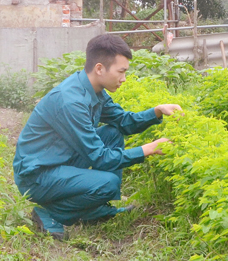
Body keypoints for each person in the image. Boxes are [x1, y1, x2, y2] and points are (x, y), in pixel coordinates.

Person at [13, 34, 182, 240]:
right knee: (108, 182)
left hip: (59, 159)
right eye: (121, 71)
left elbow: (122, 122)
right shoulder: (71, 101)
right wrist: (147, 149)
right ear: (100, 68)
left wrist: (157, 111)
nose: (123, 78)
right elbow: (99, 157)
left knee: (112, 133)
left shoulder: (93, 89)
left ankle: (96, 206)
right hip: (37, 175)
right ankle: (52, 213)